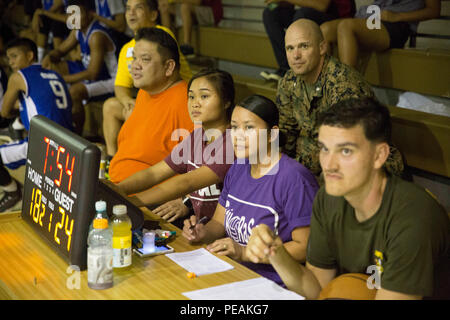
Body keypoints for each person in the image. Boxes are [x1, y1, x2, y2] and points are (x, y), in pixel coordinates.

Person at [246, 97, 450, 299]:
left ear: (379, 155)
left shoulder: (412, 220)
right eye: (325, 148)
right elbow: (316, 288)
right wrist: (276, 253)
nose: (329, 164)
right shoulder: (329, 199)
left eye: (345, 151)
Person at [182, 94, 318, 285]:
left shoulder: (294, 178)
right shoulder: (238, 167)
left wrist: (244, 252)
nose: (238, 135)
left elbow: (305, 247)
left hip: (274, 284)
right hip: (233, 273)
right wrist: (201, 232)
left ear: (273, 134)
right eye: (235, 127)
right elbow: (219, 224)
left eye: (249, 128)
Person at [276, 18, 404, 178]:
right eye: (290, 48)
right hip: (320, 159)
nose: (296, 55)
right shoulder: (289, 81)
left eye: (304, 46)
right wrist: (276, 163)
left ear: (322, 48)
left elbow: (340, 145)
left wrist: (291, 170)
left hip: (363, 164)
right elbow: (286, 130)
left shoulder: (343, 84)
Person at [114, 68, 235, 226]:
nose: (195, 104)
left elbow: (187, 183)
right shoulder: (196, 137)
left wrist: (127, 202)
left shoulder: (233, 141)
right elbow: (154, 174)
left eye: (204, 96)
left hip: (222, 233)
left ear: (226, 102)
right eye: (191, 97)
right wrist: (117, 190)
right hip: (197, 226)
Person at [102, 0, 192, 159]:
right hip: (151, 101)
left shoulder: (162, 34)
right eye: (128, 9)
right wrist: (127, 101)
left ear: (153, 15)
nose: (131, 13)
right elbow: (120, 86)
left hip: (177, 103)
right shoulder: (126, 48)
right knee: (111, 106)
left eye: (138, 8)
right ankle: (112, 159)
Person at [108, 27, 193, 184]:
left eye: (145, 59)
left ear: (169, 67)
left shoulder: (187, 103)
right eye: (134, 58)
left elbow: (196, 171)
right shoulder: (144, 92)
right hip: (116, 185)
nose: (135, 66)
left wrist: (184, 201)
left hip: (144, 201)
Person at [0, 38, 73, 212]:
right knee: (20, 122)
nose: (11, 62)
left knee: (17, 126)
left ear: (30, 55)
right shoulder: (55, 75)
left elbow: (3, 111)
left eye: (14, 56)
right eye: (9, 58)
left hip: (46, 144)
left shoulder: (19, 77)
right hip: (71, 140)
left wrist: (17, 109)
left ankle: (12, 192)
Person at [42, 0, 118, 134]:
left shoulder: (96, 36)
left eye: (78, 13)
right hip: (89, 71)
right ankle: (57, 122)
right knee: (55, 66)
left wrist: (64, 79)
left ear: (90, 14)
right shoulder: (78, 30)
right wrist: (50, 57)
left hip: (110, 80)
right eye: (71, 14)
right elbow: (61, 50)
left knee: (74, 91)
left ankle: (77, 134)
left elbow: (92, 73)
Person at [320, 0, 441, 68]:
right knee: (325, 29)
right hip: (372, 16)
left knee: (346, 26)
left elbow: (434, 10)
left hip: (396, 24)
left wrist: (398, 16)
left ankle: (347, 92)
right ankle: (327, 91)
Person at [260, 0, 356, 81]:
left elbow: (322, 5)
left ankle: (301, 71)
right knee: (270, 13)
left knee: (303, 13)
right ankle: (286, 69)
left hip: (337, 17)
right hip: (310, 13)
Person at [158, 0, 223, 56]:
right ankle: (167, 43)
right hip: (195, 11)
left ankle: (187, 45)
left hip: (211, 13)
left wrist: (173, 0)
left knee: (185, 7)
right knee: (164, 6)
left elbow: (197, 2)